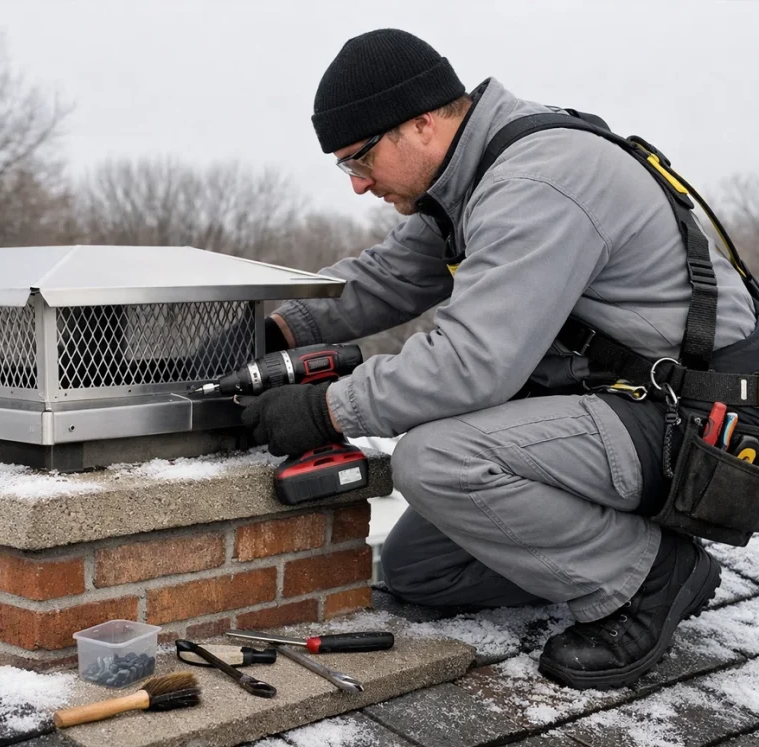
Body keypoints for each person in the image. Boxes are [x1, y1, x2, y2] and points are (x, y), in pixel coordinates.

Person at [240, 28, 759, 690]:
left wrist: (325, 407)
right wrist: (274, 333)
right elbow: (383, 280)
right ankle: (610, 553)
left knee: (432, 461)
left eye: (358, 159)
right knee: (420, 569)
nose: (359, 185)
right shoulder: (475, 175)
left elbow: (471, 362)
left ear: (421, 124)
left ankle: (647, 578)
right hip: (630, 414)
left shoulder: (537, 181)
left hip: (702, 429)